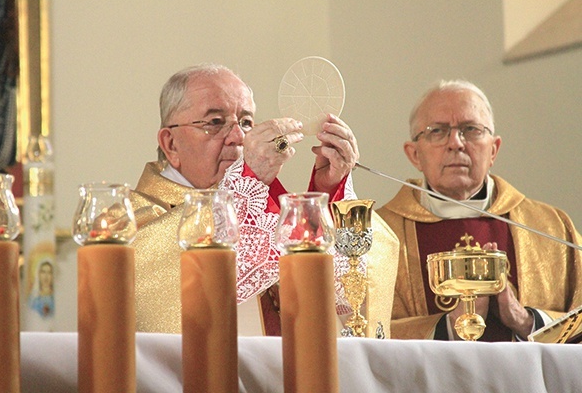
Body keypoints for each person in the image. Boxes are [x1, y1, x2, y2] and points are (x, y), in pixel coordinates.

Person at [130, 63, 398, 335]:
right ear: (170, 143)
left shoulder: (261, 210)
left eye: (246, 122)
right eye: (214, 122)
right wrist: (246, 180)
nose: (238, 137)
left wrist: (328, 193)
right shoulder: (132, 220)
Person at [377, 79, 582, 341]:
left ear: (494, 149)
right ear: (414, 154)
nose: (456, 143)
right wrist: (448, 326)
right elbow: (363, 332)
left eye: (470, 129)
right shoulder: (381, 236)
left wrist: (525, 320)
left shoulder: (550, 226)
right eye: (437, 131)